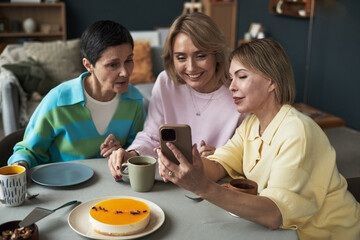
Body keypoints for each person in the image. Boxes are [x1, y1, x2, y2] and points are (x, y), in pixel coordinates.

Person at [156, 38, 360, 239]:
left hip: (327, 234)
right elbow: (219, 165)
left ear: (271, 81)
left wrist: (202, 187)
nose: (232, 87)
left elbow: (274, 214)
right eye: (231, 78)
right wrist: (191, 165)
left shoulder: (298, 132)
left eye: (241, 76)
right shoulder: (251, 125)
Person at [102, 12, 247, 180]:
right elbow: (151, 136)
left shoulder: (238, 93)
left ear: (217, 55)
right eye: (181, 57)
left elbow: (246, 156)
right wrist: (132, 154)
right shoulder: (166, 82)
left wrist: (220, 158)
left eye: (200, 56)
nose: (191, 68)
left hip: (214, 185)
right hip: (167, 181)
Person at [8, 20, 145, 170]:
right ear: (88, 65)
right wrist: (20, 164)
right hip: (63, 187)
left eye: (129, 61)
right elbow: (28, 150)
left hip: (111, 188)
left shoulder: (134, 100)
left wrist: (122, 153)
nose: (125, 72)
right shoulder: (58, 100)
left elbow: (139, 149)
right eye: (113, 65)